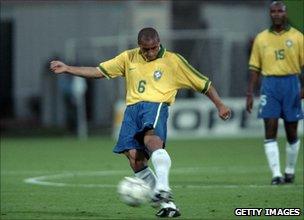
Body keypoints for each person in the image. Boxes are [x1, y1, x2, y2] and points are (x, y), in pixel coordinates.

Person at [50, 27, 231, 218]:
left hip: (155, 105)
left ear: (159, 43)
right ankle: (168, 204)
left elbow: (204, 84)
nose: (151, 52)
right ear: (139, 47)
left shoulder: (173, 60)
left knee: (151, 141)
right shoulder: (128, 57)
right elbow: (98, 71)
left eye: (154, 48)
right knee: (135, 159)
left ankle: (162, 187)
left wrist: (220, 105)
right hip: (131, 111)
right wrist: (68, 68)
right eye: (146, 49)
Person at [246, 1, 303, 185]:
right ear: (270, 14)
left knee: (292, 131)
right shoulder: (261, 38)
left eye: (280, 11)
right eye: (273, 11)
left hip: (291, 83)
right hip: (269, 85)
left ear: (285, 13)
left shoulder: (297, 37)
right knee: (270, 128)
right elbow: (254, 68)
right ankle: (276, 174)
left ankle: (290, 171)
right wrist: (249, 93)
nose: (276, 14)